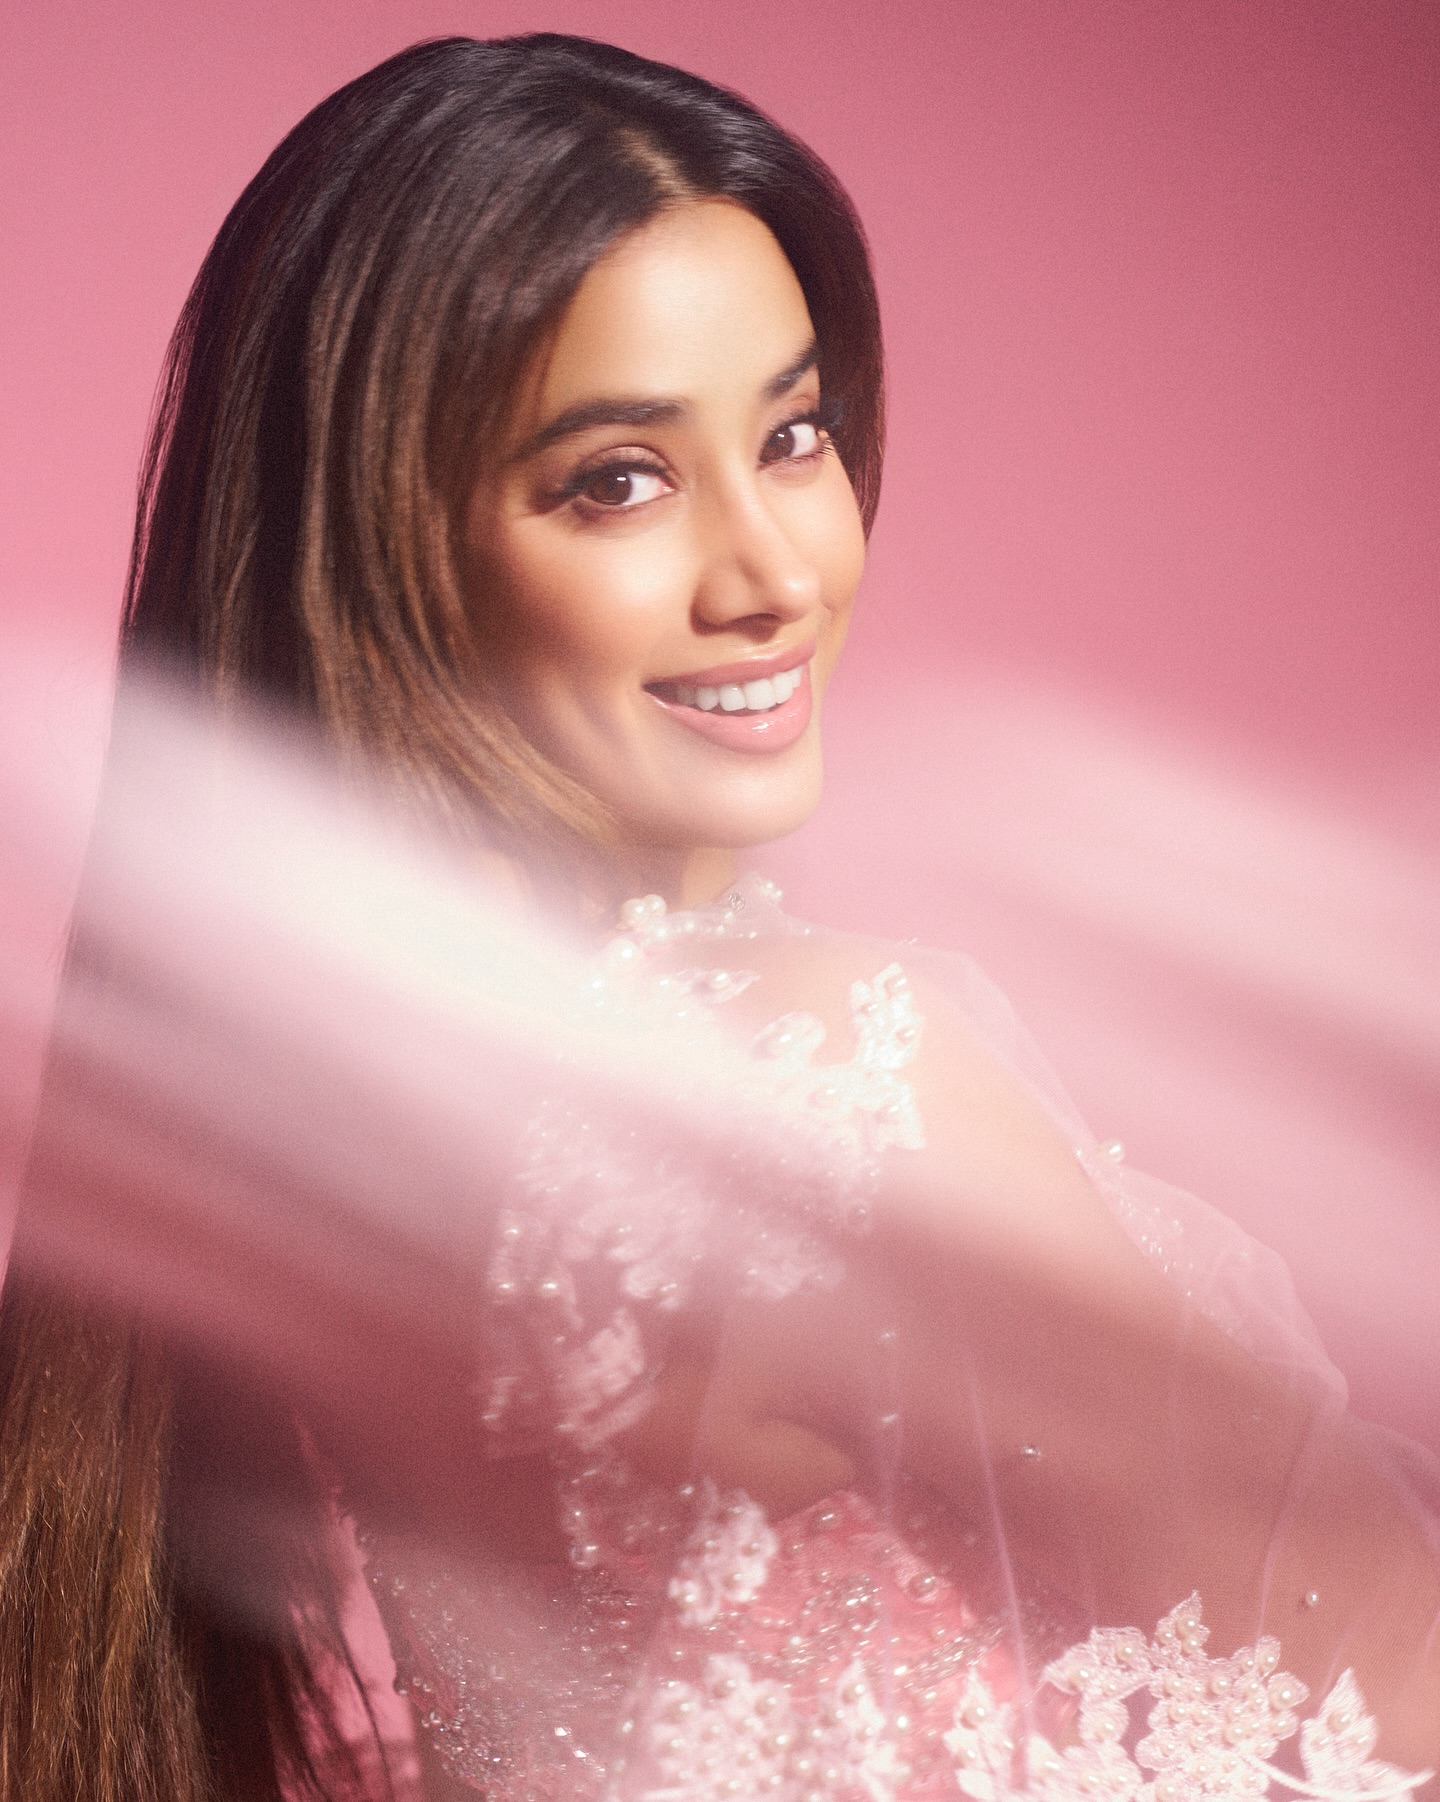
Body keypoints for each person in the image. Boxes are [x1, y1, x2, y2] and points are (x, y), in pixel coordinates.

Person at [1, 32, 1436, 1802]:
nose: (773, 575)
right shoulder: (819, 1091)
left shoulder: (295, 1132)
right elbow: (1401, 1682)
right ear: (383, 549)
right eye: (619, 477)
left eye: (793, 434)